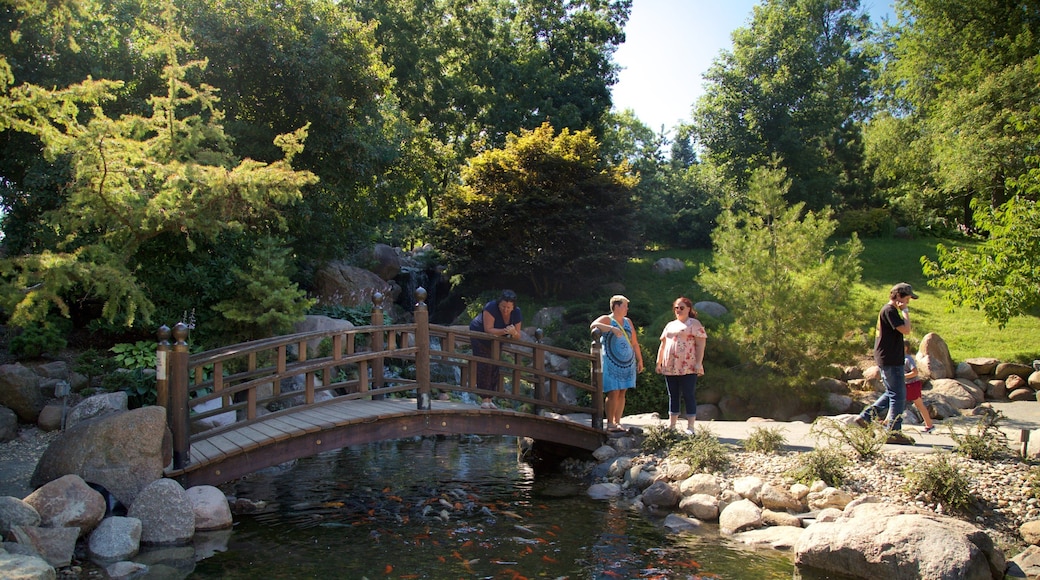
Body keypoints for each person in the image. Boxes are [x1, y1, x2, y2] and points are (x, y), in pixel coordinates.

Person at [855, 282, 918, 444]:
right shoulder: (889, 311)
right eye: (907, 298)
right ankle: (893, 431)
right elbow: (906, 330)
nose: (908, 302)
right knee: (898, 395)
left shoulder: (889, 310)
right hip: (890, 359)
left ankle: (865, 418)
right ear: (898, 297)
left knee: (893, 393)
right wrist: (905, 311)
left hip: (889, 358)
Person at [590, 295, 644, 432]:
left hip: (627, 362)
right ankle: (610, 423)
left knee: (622, 391)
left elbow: (634, 342)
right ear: (616, 306)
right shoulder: (607, 319)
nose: (627, 308)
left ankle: (618, 421)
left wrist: (640, 359)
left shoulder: (628, 321)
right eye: (625, 306)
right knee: (613, 391)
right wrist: (611, 328)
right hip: (611, 362)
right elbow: (593, 325)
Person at [656, 297, 707, 435]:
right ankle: (672, 425)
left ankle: (690, 427)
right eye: (676, 308)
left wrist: (698, 363)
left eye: (682, 307)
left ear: (689, 309)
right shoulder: (670, 325)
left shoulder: (694, 323)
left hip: (688, 365)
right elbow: (663, 344)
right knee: (673, 394)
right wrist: (658, 362)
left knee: (688, 394)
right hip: (670, 365)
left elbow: (700, 345)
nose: (678, 310)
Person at [469, 290, 523, 409]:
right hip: (480, 335)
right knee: (484, 364)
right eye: (503, 306)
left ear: (513, 307)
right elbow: (488, 329)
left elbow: (518, 335)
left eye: (508, 307)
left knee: (495, 365)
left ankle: (490, 397)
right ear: (499, 304)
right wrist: (505, 331)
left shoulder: (516, 313)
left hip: (498, 339)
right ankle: (484, 398)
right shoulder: (491, 307)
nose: (505, 310)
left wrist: (513, 333)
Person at [904, 339, 936, 433]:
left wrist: (903, 376)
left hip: (912, 384)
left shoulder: (908, 359)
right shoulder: (900, 358)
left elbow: (915, 372)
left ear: (906, 348)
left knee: (919, 404)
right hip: (905, 384)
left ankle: (929, 425)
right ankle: (887, 422)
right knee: (896, 402)